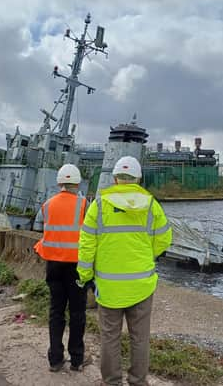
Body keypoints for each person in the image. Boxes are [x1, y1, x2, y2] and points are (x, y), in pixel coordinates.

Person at [77, 156, 172, 386]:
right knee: (140, 338)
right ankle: (138, 381)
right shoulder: (151, 205)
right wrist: (147, 257)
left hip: (109, 287)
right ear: (138, 179)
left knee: (110, 336)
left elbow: (87, 245)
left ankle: (111, 381)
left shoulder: (99, 206)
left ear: (115, 178)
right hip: (141, 284)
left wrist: (85, 276)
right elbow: (165, 239)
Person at [33, 164, 88, 372]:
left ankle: (55, 359)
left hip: (53, 265)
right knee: (77, 313)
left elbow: (40, 229)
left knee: (56, 311)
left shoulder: (47, 205)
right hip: (76, 267)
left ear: (59, 183)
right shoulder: (84, 204)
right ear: (77, 183)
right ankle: (76, 360)